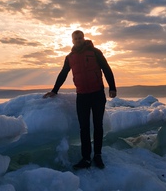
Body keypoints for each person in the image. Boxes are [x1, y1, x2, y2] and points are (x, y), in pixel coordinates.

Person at [44, 30, 117, 170]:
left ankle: (97, 155)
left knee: (97, 125)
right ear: (72, 41)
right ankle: (86, 158)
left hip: (97, 94)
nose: (78, 40)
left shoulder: (95, 52)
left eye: (80, 38)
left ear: (83, 38)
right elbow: (63, 73)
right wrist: (54, 90)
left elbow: (107, 69)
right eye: (75, 38)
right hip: (82, 96)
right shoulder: (70, 57)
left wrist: (112, 87)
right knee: (83, 128)